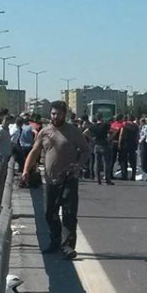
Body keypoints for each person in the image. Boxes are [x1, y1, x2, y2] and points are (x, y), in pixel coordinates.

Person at [23, 101, 91, 260]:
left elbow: (86, 150)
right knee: (49, 213)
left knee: (68, 213)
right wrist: (26, 170)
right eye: (53, 114)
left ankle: (67, 246)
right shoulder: (44, 132)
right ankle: (55, 242)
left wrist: (78, 166)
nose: (55, 117)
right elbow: (34, 151)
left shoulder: (73, 132)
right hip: (50, 180)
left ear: (64, 114)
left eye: (58, 114)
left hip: (69, 179)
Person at [84, 114, 114, 185]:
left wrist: (92, 139)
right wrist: (109, 138)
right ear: (102, 118)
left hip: (96, 145)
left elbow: (85, 132)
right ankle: (107, 179)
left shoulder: (93, 126)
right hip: (105, 145)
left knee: (97, 163)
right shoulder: (106, 125)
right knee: (106, 163)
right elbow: (114, 130)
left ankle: (98, 180)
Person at [118, 116, 139, 180]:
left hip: (125, 144)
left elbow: (121, 134)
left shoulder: (124, 124)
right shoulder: (136, 126)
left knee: (123, 160)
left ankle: (124, 175)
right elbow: (137, 136)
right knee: (132, 161)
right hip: (132, 144)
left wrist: (119, 143)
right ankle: (133, 175)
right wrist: (136, 144)